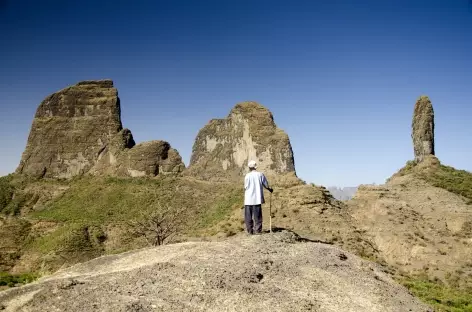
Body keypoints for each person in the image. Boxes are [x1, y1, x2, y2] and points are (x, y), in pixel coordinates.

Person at [244, 160, 273, 234]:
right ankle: (257, 231)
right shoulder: (260, 175)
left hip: (248, 200)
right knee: (257, 216)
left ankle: (250, 231)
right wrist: (269, 189)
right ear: (255, 167)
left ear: (249, 168)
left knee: (248, 217)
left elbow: (245, 187)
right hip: (257, 198)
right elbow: (266, 185)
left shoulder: (247, 176)